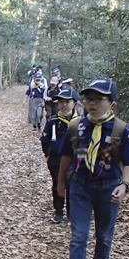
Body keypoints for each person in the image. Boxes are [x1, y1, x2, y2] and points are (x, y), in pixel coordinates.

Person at [56, 77, 129, 259]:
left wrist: (124, 185)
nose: (91, 104)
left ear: (112, 103)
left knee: (104, 233)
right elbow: (66, 156)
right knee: (78, 235)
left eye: (98, 99)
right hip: (81, 186)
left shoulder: (121, 130)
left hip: (108, 187)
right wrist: (61, 184)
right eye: (88, 99)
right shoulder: (77, 126)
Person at [40, 86, 80, 223]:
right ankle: (58, 211)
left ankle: (71, 211)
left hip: (76, 159)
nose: (63, 105)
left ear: (74, 103)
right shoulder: (53, 121)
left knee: (73, 185)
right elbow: (44, 139)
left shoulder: (81, 121)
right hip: (56, 158)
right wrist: (48, 155)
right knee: (58, 182)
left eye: (67, 102)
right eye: (61, 102)